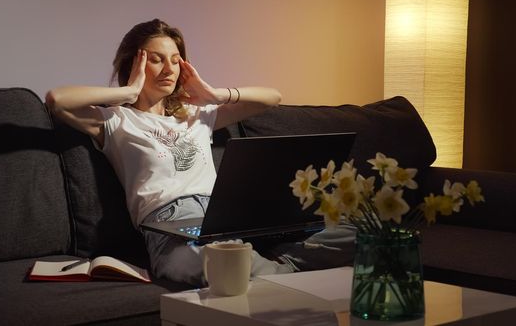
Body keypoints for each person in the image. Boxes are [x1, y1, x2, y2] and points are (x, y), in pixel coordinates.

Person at [46, 18, 354, 286]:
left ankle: (271, 270)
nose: (169, 68)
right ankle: (280, 268)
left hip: (224, 217)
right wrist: (127, 92)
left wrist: (217, 94)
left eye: (175, 59)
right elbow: (57, 99)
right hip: (170, 229)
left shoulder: (197, 115)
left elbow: (272, 97)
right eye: (156, 59)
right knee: (219, 264)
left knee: (360, 232)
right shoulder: (115, 120)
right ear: (134, 63)